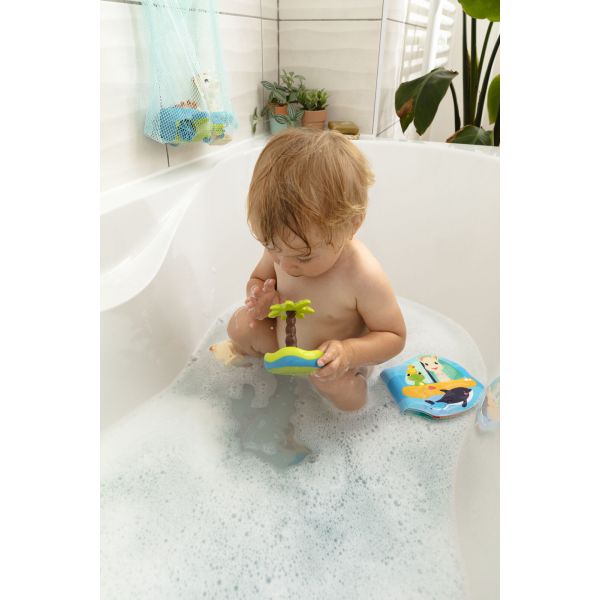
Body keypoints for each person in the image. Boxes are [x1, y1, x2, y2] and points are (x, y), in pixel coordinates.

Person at [213, 127, 406, 411]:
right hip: (284, 350)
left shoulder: (361, 274)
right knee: (240, 325)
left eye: (303, 257)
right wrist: (260, 297)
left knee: (341, 393)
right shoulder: (285, 245)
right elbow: (258, 278)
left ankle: (354, 398)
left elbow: (394, 336)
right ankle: (251, 366)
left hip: (332, 363)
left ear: (351, 226)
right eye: (272, 248)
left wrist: (348, 353)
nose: (285, 265)